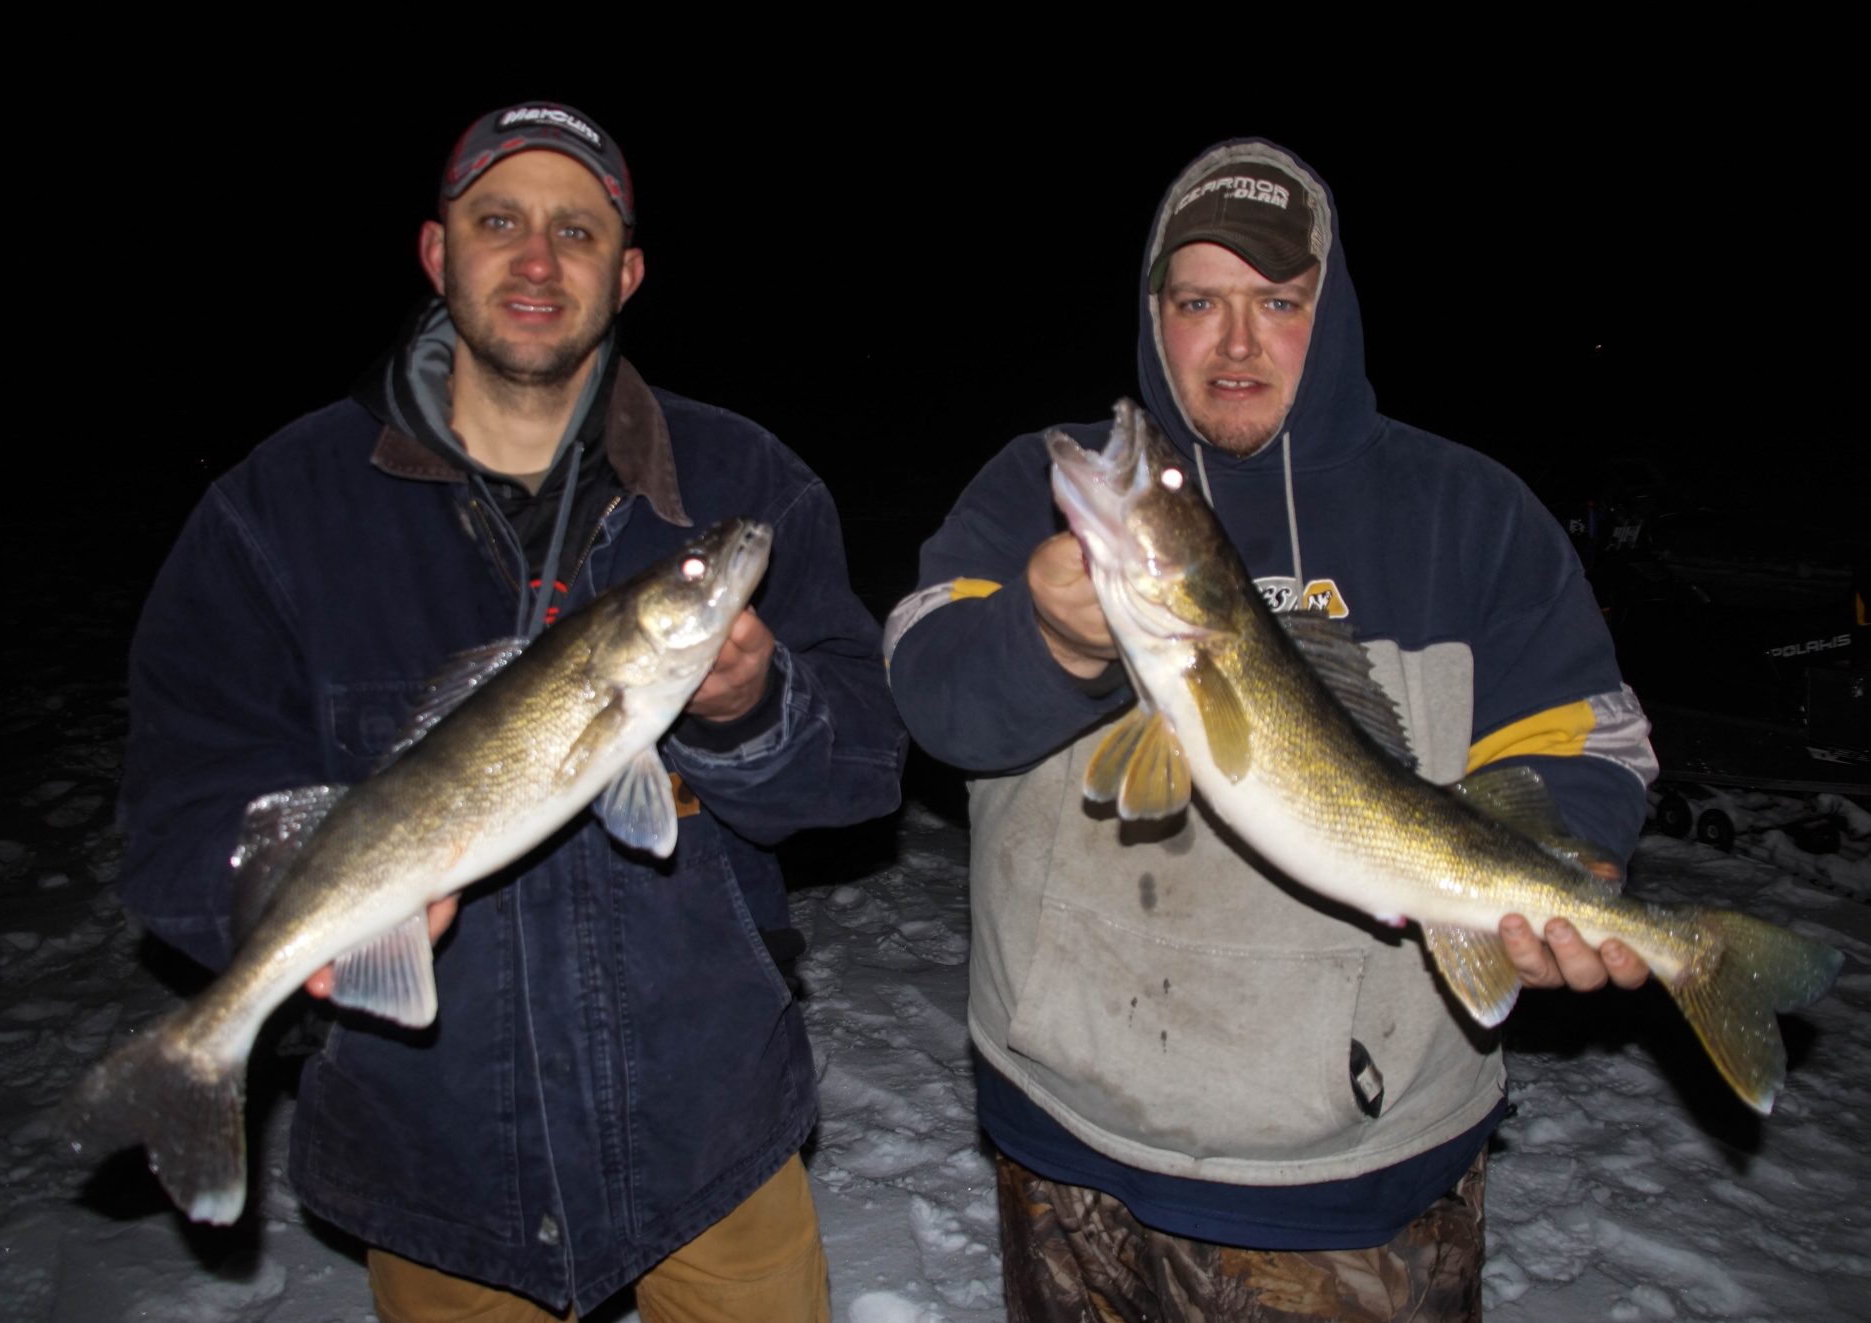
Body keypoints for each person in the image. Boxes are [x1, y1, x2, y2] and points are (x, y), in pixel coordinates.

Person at [115, 101, 905, 1322]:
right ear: (437, 252)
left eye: (577, 232)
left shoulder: (748, 480)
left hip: (713, 1136)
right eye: (499, 222)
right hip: (436, 1166)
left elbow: (862, 771)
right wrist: (298, 924)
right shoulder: (275, 513)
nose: (537, 262)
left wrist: (754, 710)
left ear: (626, 272)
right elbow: (181, 808)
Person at [884, 139, 1658, 1320]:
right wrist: (1059, 643)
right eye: (1197, 302)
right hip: (1066, 1135)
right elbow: (930, 697)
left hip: (1349, 1177)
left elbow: (1587, 742)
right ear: (1155, 318)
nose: (1234, 342)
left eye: (1275, 303)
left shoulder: (1468, 511)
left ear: (1328, 313)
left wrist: (1567, 864)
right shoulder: (1023, 494)